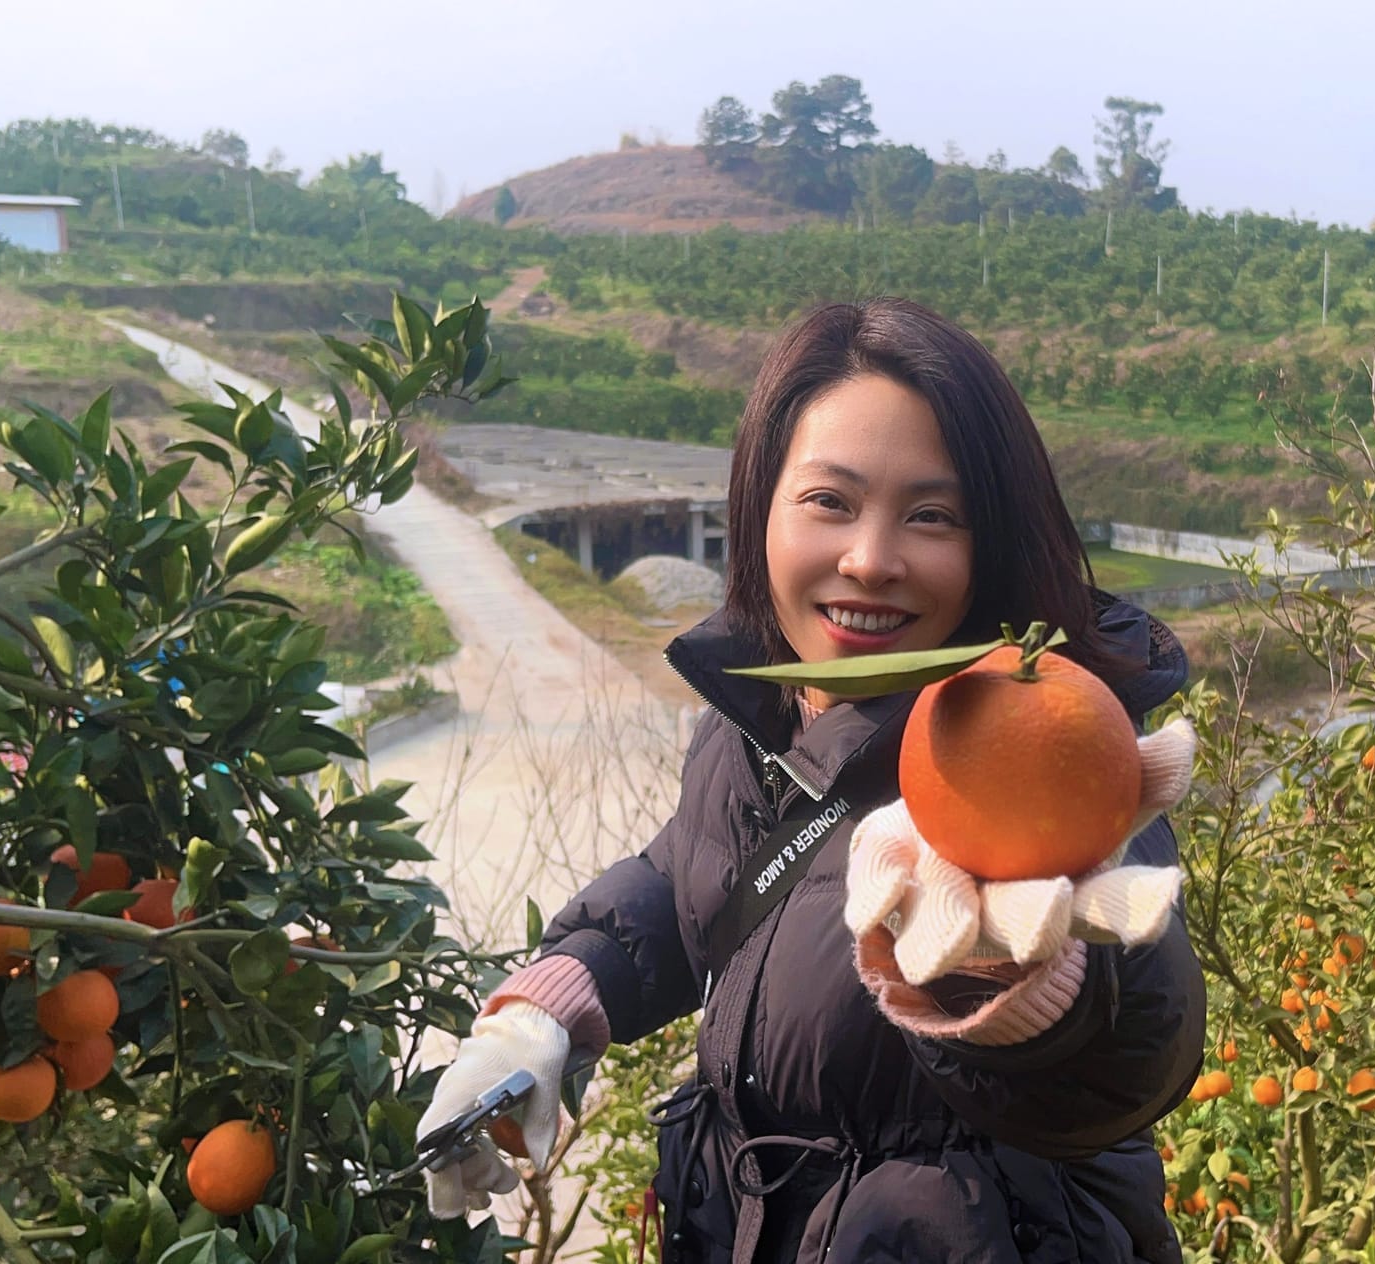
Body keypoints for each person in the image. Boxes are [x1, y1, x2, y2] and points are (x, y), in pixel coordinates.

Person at [417, 298, 1207, 1263]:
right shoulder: (760, 717)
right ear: (759, 509)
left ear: (990, 541)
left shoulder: (1038, 747)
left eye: (930, 516)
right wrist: (550, 1008)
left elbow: (1124, 1054)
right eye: (830, 501)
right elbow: (693, 877)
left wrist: (1015, 984)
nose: (870, 560)